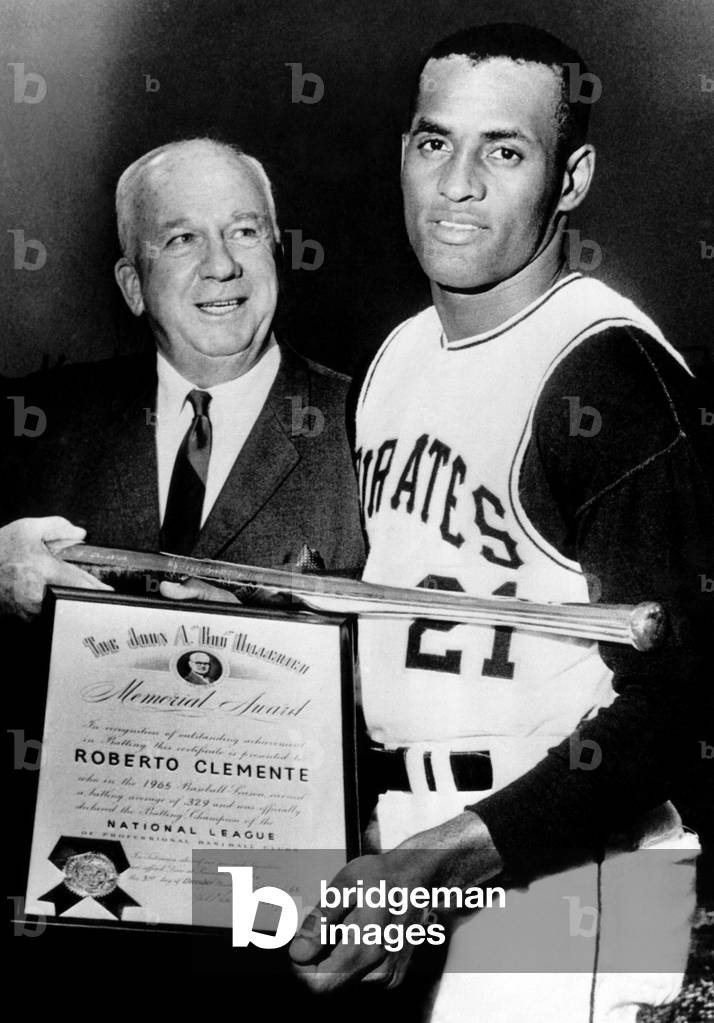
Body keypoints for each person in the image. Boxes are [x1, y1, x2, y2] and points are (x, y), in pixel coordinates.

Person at [289, 23, 712, 1023]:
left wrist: (440, 866)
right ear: (404, 152)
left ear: (572, 177)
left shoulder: (610, 371)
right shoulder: (398, 357)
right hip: (418, 843)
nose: (459, 183)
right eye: (436, 143)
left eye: (505, 150)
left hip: (573, 877)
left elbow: (683, 702)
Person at [1, 138, 365, 621]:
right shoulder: (41, 421)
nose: (222, 266)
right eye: (182, 240)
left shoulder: (365, 422)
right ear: (134, 286)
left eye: (244, 232)